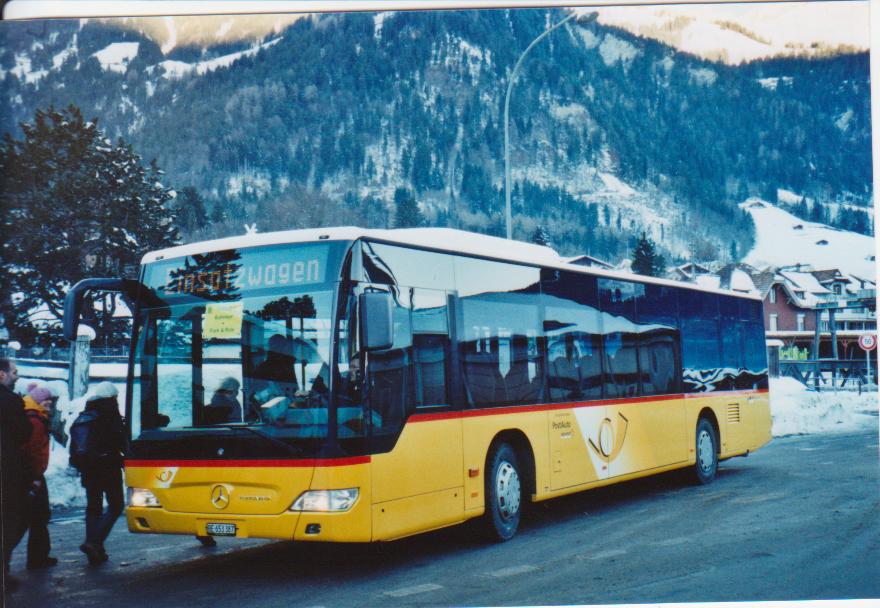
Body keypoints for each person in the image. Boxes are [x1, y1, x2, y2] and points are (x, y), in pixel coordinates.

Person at [77, 381, 126, 566]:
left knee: (93, 507)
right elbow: (120, 441)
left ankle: (96, 551)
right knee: (116, 505)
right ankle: (94, 542)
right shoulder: (110, 413)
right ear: (112, 397)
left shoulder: (86, 413)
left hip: (88, 468)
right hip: (108, 467)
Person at [19, 383, 59, 570]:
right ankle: (37, 558)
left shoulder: (35, 416)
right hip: (32, 474)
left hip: (31, 473)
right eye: (45, 400)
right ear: (37, 401)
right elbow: (33, 450)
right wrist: (34, 477)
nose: (49, 403)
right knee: (38, 515)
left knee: (37, 516)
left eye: (50, 400)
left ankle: (38, 556)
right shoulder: (35, 421)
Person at [0, 358, 31, 594]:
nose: (16, 376)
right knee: (11, 520)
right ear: (1, 375)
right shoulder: (10, 401)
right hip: (7, 471)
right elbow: (24, 433)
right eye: (14, 372)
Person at [248, 334, 299, 420]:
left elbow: (254, 397)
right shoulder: (282, 367)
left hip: (277, 413)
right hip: (277, 413)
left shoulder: (266, 367)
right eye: (284, 347)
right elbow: (255, 397)